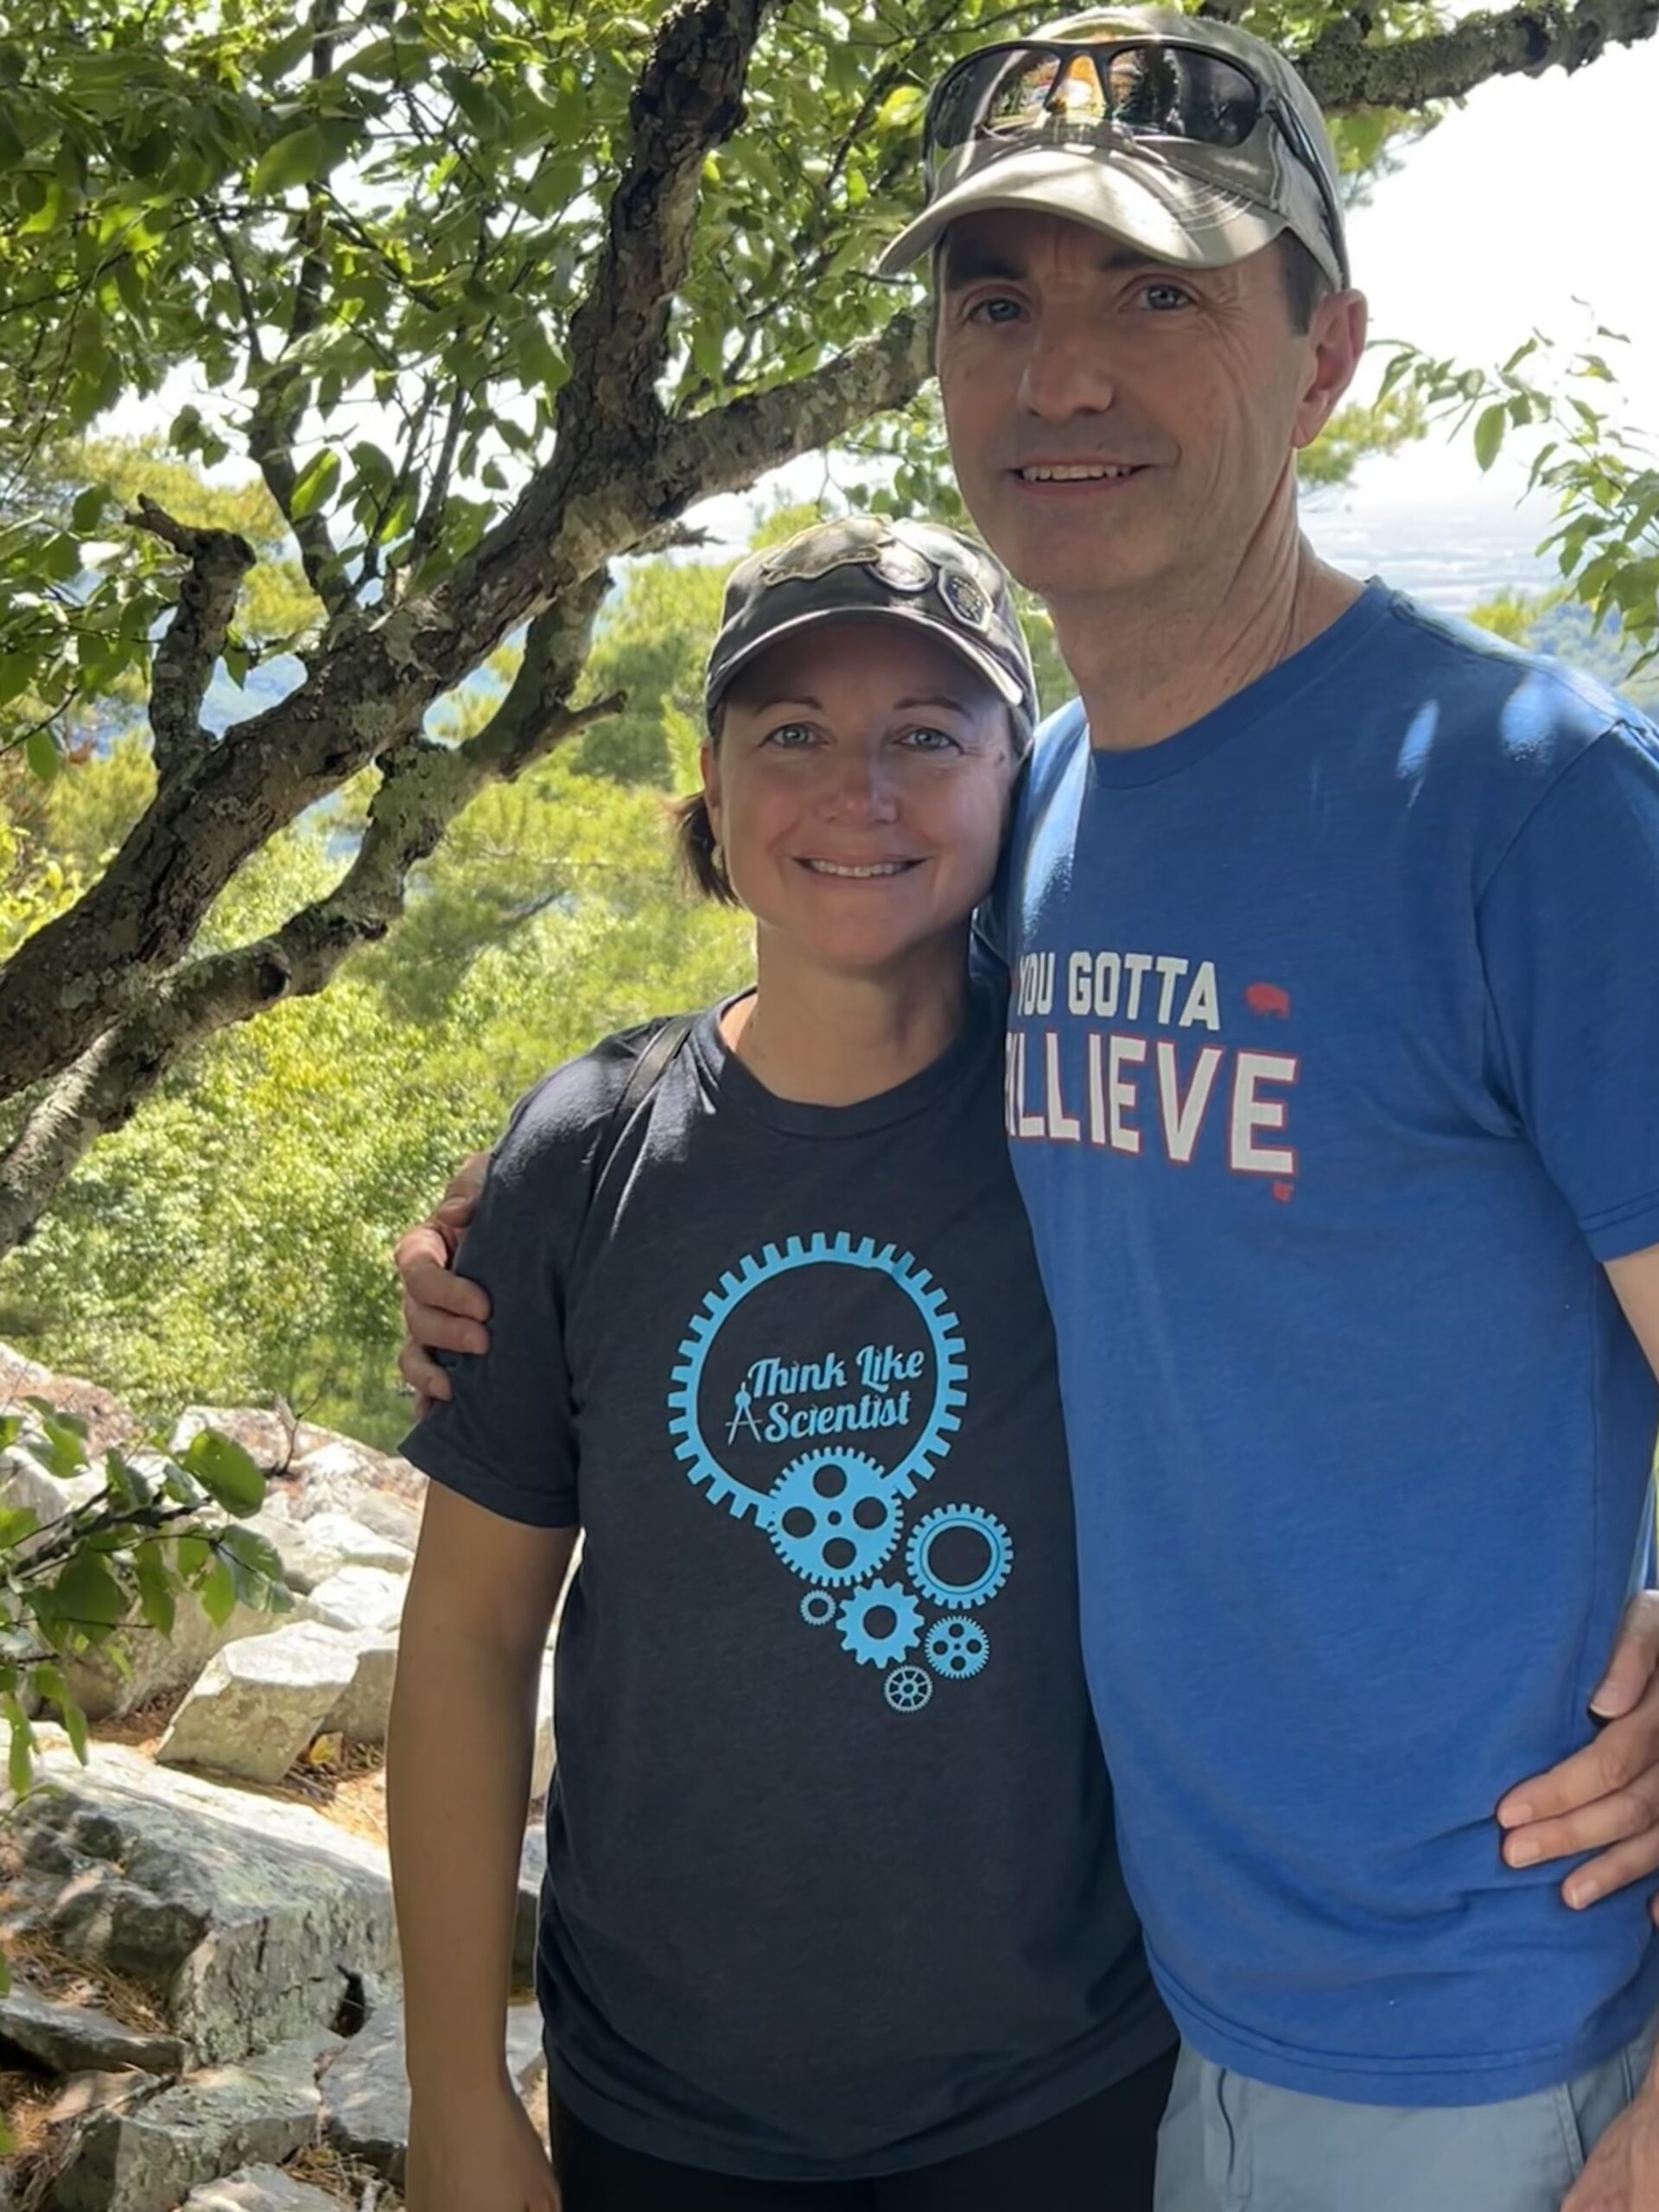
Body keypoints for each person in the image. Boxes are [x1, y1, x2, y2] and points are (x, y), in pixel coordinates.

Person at [398, 10, 1659, 2208]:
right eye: (999, 303)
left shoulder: (1528, 803)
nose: (1061, 373)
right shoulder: (1051, 814)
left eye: (1158, 293)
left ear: (1326, 353)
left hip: (1476, 2019)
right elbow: (823, 1041)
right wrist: (496, 1216)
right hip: (1165, 2010)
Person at [387, 517, 1176, 2212]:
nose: (858, 793)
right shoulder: (582, 1154)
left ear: (1020, 779)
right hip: (664, 2100)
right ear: (715, 782)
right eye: (795, 732)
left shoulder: (1107, 1117)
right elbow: (467, 1635)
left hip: (1061, 2081)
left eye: (928, 735)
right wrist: (455, 2088)